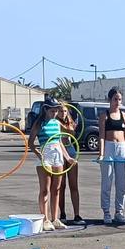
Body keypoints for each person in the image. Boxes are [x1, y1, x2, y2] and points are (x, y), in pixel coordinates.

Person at [27, 96, 75, 230]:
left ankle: (55, 219)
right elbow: (30, 143)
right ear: (46, 110)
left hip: (57, 154)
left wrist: (67, 158)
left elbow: (60, 142)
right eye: (52, 111)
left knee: (57, 188)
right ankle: (45, 219)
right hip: (45, 154)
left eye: (56, 111)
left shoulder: (57, 123)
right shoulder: (39, 123)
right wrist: (38, 154)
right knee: (45, 189)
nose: (55, 113)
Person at [97, 87, 125, 224]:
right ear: (109, 100)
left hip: (121, 149)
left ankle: (119, 211)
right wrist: (101, 154)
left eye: (119, 99)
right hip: (108, 147)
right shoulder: (104, 115)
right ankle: (106, 212)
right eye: (115, 99)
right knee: (107, 182)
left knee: (122, 183)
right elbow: (101, 136)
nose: (117, 102)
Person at [54, 104, 85, 225]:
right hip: (60, 152)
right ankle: (62, 213)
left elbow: (72, 132)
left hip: (70, 149)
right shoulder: (55, 123)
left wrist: (70, 124)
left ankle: (77, 214)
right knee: (61, 186)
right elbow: (66, 131)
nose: (63, 113)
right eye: (61, 111)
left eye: (65, 111)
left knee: (74, 185)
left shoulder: (69, 122)